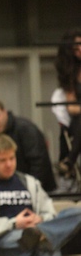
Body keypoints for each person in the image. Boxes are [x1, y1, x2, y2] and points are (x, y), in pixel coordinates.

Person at [0, 97, 56, 192]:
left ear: (4, 111)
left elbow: (39, 163)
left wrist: (29, 190)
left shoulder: (26, 129)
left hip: (39, 190)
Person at [53, 30, 81, 177]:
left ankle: (69, 160)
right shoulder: (71, 73)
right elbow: (72, 108)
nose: (80, 51)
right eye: (75, 49)